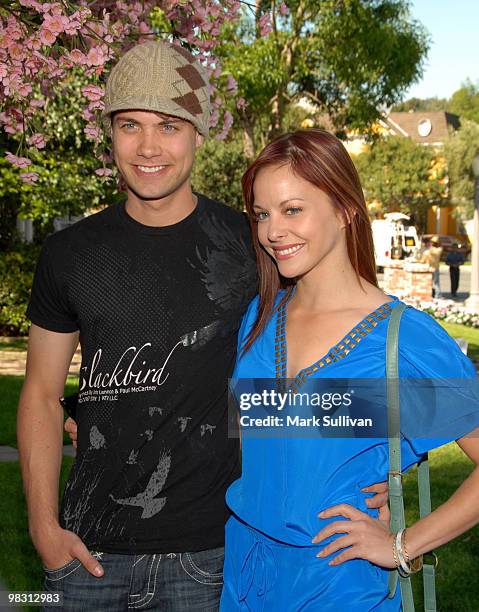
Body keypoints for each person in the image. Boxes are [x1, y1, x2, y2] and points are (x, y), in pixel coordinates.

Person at [17, 40, 259, 611]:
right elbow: (41, 393)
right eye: (130, 124)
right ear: (110, 132)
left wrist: (366, 460)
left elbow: (308, 365)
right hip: (84, 555)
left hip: (212, 556)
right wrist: (42, 527)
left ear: (198, 134)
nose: (149, 146)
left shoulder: (251, 246)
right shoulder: (69, 253)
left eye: (169, 125)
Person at [220, 129, 479, 611]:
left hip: (340, 589)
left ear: (345, 210)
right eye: (261, 214)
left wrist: (402, 546)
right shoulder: (257, 319)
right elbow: (283, 438)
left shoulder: (406, 339)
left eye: (292, 209)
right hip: (243, 582)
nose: (272, 231)